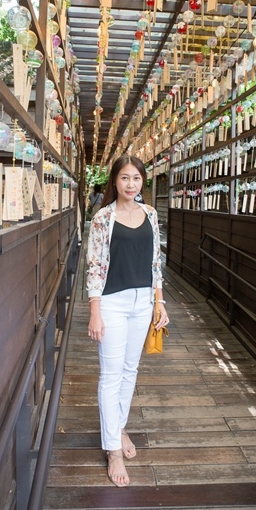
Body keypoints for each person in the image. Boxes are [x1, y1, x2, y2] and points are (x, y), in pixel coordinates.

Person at [86, 155, 169, 488]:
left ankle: (118, 428)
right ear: (114, 181)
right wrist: (95, 311)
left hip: (142, 301)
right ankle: (112, 450)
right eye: (124, 178)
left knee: (130, 370)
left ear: (143, 181)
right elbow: (94, 265)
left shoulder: (150, 214)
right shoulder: (102, 218)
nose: (130, 184)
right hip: (112, 302)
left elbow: (155, 261)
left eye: (136, 178)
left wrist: (159, 302)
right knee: (110, 374)